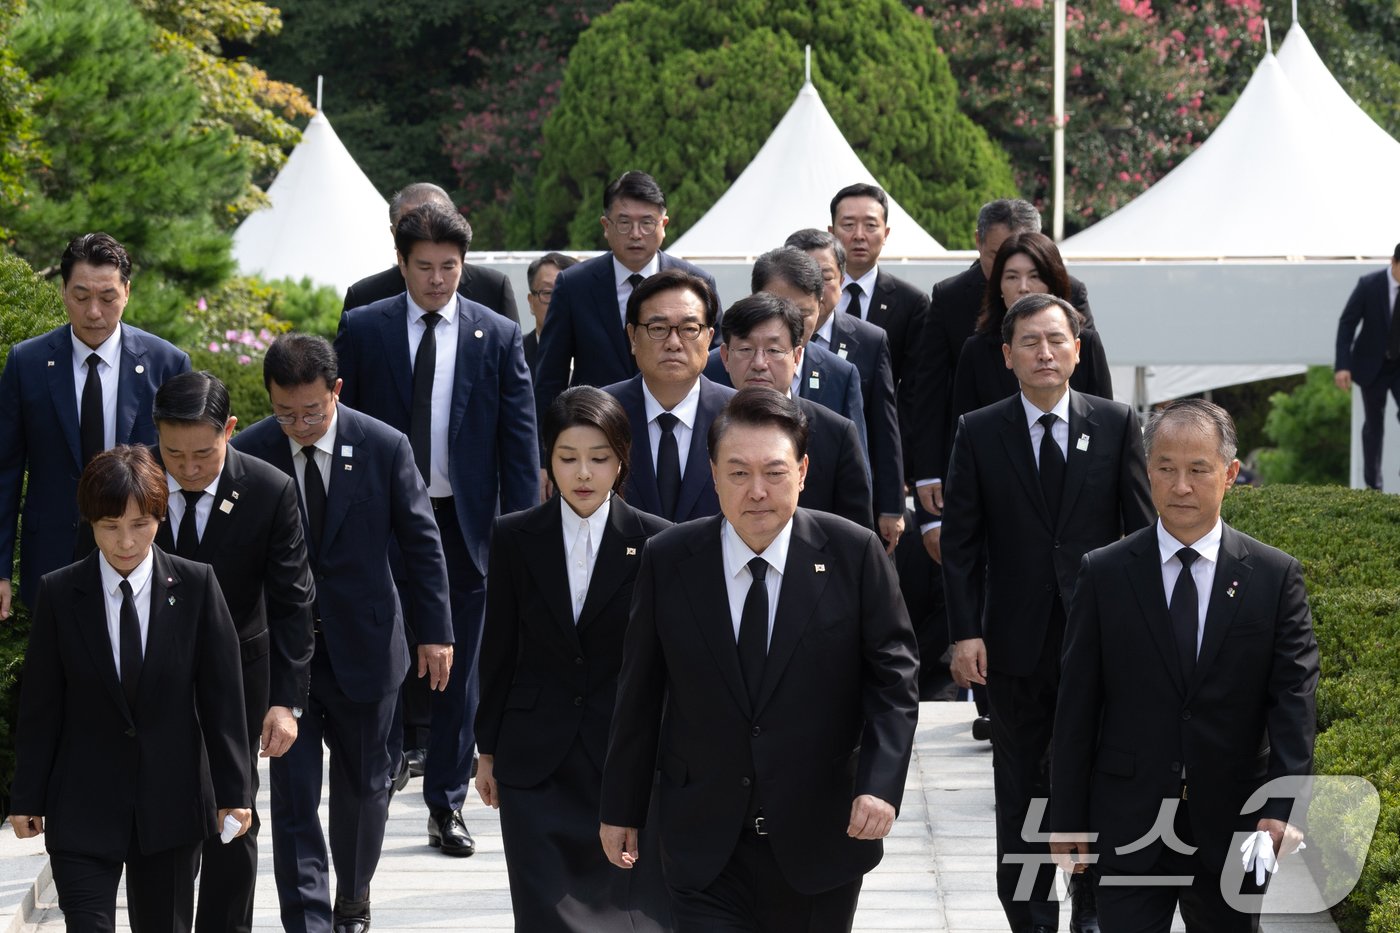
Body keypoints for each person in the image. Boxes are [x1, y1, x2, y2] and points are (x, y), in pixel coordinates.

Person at [600, 387, 919, 932]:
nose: (756, 492)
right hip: (703, 840)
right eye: (738, 473)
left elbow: (894, 680)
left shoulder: (853, 553)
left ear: (803, 471)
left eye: (774, 473)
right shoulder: (670, 559)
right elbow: (640, 692)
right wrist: (620, 808)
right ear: (713, 474)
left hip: (819, 835)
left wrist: (880, 785)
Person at [1051, 399, 1319, 932]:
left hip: (1234, 817)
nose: (1181, 487)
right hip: (1129, 819)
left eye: (1198, 470)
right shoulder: (1105, 573)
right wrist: (1066, 816)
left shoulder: (1273, 577)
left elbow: (1293, 700)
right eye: (1166, 468)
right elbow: (1077, 703)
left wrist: (1282, 806)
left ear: (1230, 474)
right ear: (1147, 471)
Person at [940, 293, 1153, 933]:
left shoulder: (1115, 423)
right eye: (1030, 342)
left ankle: (1091, 905)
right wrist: (965, 633)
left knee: (1097, 778)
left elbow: (1142, 534)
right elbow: (961, 544)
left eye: (1057, 340)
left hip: (1101, 640)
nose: (1044, 353)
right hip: (1015, 643)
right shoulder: (980, 431)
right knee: (1020, 787)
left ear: (1077, 350)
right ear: (1007, 355)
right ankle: (1031, 917)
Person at [335, 200, 540, 858]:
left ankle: (446, 801)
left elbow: (518, 438)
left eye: (449, 267)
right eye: (424, 266)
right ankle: (379, 769)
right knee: (384, 651)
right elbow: (343, 425)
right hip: (385, 518)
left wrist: (518, 530)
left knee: (462, 663)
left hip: (465, 519)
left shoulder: (494, 333)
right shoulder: (364, 327)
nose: (437, 279)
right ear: (401, 263)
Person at [231, 334, 453, 933]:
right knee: (294, 795)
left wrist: (436, 631)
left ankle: (353, 894)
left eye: (312, 412)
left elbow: (422, 543)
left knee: (364, 786)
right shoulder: (250, 452)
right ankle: (307, 920)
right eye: (285, 414)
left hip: (366, 644)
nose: (299, 427)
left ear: (336, 390)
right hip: (285, 657)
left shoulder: (384, 445)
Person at [9, 445, 251, 933]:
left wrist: (235, 791)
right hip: (82, 802)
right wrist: (26, 796)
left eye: (140, 524)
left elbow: (223, 699)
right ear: (90, 522)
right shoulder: (60, 592)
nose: (125, 541)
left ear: (160, 516)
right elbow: (41, 704)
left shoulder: (197, 586)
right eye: (109, 526)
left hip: (172, 802)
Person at [476, 386, 673, 932]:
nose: (583, 473)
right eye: (567, 458)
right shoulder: (514, 535)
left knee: (627, 913)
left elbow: (666, 665)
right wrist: (486, 750)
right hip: (534, 759)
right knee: (542, 914)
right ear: (549, 460)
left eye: (599, 458)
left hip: (621, 759)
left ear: (622, 461)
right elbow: (498, 649)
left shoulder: (658, 542)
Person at [151, 371, 316, 933]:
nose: (189, 468)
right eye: (174, 453)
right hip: (149, 679)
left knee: (233, 812)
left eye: (203, 453)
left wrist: (285, 702)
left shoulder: (269, 489)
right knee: (162, 817)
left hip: (237, 680)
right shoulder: (133, 479)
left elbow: (293, 602)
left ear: (230, 430)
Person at [0, 232, 190, 620]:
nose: (93, 312)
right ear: (63, 291)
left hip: (141, 549)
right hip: (53, 551)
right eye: (81, 296)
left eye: (107, 297)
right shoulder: (27, 363)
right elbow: (4, 470)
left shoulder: (167, 363)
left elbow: (185, 470)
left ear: (127, 292)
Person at [910, 198, 1093, 522]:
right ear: (978, 243)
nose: (1021, 285)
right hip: (987, 458)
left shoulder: (1070, 292)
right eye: (998, 257)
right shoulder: (952, 298)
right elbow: (930, 391)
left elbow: (1092, 386)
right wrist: (927, 472)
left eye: (1032, 272)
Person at [534, 171, 720, 430]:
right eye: (624, 223)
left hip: (677, 424)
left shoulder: (697, 283)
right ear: (606, 226)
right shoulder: (574, 285)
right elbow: (550, 376)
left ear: (664, 225)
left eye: (647, 223)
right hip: (595, 427)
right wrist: (548, 447)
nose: (635, 234)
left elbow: (715, 361)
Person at [717, 291, 872, 529]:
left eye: (774, 350)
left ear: (797, 356)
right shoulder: (707, 423)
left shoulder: (836, 433)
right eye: (746, 349)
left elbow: (854, 532)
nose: (759, 363)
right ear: (725, 356)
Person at [602, 268, 735, 523]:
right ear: (633, 337)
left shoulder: (740, 413)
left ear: (709, 338)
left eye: (689, 329)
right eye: (658, 328)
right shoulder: (600, 412)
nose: (674, 343)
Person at [949, 231, 1111, 425]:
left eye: (1035, 276)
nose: (1023, 287)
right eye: (1012, 277)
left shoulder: (1087, 343)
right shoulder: (976, 350)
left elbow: (1105, 422)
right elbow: (964, 428)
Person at [828, 182, 929, 476]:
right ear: (831, 232)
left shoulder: (911, 302)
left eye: (870, 225)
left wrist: (900, 458)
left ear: (885, 234)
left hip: (880, 446)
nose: (859, 235)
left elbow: (914, 392)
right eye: (848, 225)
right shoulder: (811, 296)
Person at [341, 182, 520, 324]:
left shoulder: (493, 288)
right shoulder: (364, 298)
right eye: (410, 226)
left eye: (436, 221)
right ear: (394, 233)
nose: (425, 232)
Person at [1334, 243, 1400, 489]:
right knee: (1374, 426)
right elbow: (1347, 323)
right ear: (1393, 262)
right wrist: (1343, 365)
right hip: (1372, 366)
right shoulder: (1369, 285)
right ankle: (1373, 485)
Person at [525, 252, 579, 375]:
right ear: (531, 302)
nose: (557, 303)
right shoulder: (513, 355)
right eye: (548, 293)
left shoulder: (600, 355)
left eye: (569, 293)